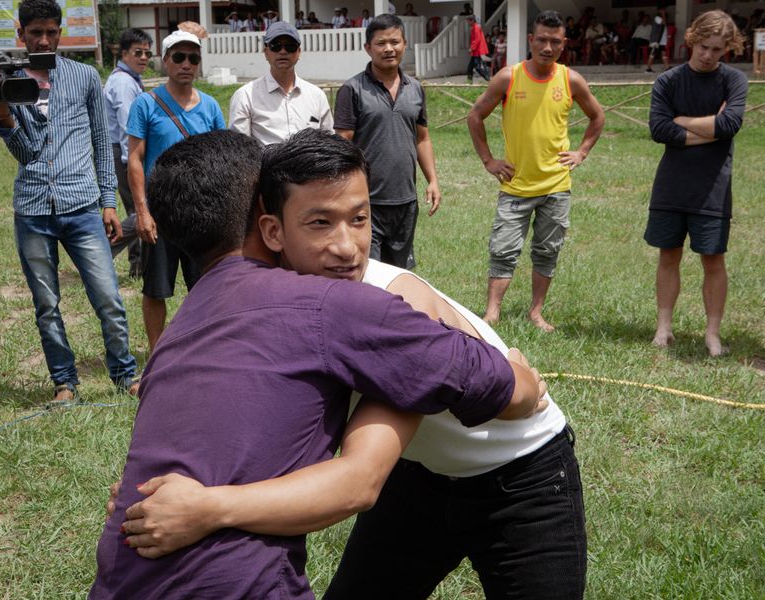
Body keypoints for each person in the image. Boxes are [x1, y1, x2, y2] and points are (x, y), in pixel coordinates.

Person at [109, 129, 581, 600]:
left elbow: (362, 477)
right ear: (270, 226)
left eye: (359, 219)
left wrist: (522, 384)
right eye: (319, 222)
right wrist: (147, 492)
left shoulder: (379, 304)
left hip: (521, 473)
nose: (346, 247)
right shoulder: (257, 305)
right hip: (418, 473)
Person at [0, 0, 139, 401]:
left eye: (51, 32)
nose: (43, 40)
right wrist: (1, 106)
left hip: (82, 205)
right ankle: (64, 382)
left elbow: (102, 141)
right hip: (33, 209)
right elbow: (26, 152)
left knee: (108, 297)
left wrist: (109, 202)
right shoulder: (11, 81)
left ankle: (124, 374)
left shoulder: (84, 76)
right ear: (21, 34)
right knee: (47, 304)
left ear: (60, 32)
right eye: (35, 33)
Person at [467, 10, 605, 330]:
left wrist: (581, 152)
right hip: (515, 184)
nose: (547, 47)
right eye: (541, 40)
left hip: (556, 186)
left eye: (555, 42)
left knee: (547, 250)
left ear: (564, 44)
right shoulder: (509, 77)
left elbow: (597, 117)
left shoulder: (570, 80)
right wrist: (488, 160)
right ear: (530, 40)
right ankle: (492, 312)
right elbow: (475, 116)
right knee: (503, 249)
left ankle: (536, 312)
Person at [645, 10, 747, 357]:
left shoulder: (734, 80)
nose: (708, 55)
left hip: (713, 187)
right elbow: (660, 129)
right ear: (692, 40)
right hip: (671, 185)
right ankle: (663, 328)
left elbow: (730, 125)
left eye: (717, 49)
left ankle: (712, 334)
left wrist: (682, 121)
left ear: (727, 48)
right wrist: (710, 128)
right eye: (704, 46)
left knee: (713, 260)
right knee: (668, 255)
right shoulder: (668, 81)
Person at [126, 30, 225, 352]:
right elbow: (135, 159)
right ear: (166, 61)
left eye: (193, 58)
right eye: (179, 57)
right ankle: (156, 353)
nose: (186, 64)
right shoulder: (146, 104)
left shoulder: (210, 106)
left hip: (200, 215)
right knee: (155, 289)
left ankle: (204, 350)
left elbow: (221, 158)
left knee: (206, 288)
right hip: (161, 213)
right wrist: (142, 212)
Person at [334, 14, 441, 270]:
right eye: (381, 43)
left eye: (395, 42)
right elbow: (342, 144)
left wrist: (433, 180)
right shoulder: (352, 90)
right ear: (368, 48)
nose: (389, 48)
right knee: (368, 272)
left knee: (399, 273)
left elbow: (422, 138)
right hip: (366, 202)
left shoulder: (415, 88)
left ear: (405, 44)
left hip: (405, 200)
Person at [229, 22, 333, 145]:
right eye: (276, 46)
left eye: (290, 46)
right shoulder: (245, 96)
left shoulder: (317, 96)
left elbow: (329, 143)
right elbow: (240, 149)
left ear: (298, 52)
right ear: (266, 52)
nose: (283, 51)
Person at [103, 28, 152, 279]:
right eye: (137, 52)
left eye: (147, 53)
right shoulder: (123, 83)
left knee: (136, 209)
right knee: (139, 210)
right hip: (123, 151)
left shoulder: (129, 79)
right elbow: (127, 127)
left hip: (124, 150)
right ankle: (99, 253)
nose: (143, 58)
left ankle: (138, 265)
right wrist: (131, 160)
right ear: (124, 54)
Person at [466, 14, 490, 82]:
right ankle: (469, 82)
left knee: (476, 67)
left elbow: (477, 39)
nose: (468, 23)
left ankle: (488, 79)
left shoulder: (476, 27)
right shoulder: (475, 27)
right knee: (471, 67)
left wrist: (471, 48)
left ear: (472, 21)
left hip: (478, 51)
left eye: (468, 21)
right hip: (476, 51)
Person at [646, 6, 670, 73]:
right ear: (659, 11)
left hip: (662, 41)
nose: (664, 11)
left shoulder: (662, 18)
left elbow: (665, 28)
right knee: (653, 54)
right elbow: (663, 22)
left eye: (664, 10)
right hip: (657, 40)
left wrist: (667, 37)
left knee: (664, 54)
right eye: (662, 10)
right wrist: (663, 14)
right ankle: (648, 69)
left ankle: (667, 68)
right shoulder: (657, 18)